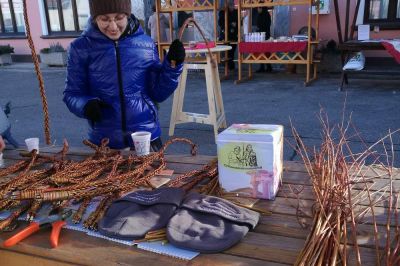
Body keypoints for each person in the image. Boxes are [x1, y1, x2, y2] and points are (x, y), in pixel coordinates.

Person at [63, 0, 185, 151]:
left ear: (127, 15)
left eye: (119, 17)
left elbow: (158, 93)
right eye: (105, 19)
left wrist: (173, 66)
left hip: (146, 137)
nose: (113, 27)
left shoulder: (146, 45)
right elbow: (72, 93)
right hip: (104, 141)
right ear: (95, 18)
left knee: (155, 175)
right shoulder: (80, 48)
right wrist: (85, 105)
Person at [218, 1, 238, 70]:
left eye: (233, 5)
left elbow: (238, 22)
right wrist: (230, 24)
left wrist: (236, 25)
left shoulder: (236, 12)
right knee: (226, 52)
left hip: (234, 35)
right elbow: (221, 23)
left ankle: (230, 66)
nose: (233, 7)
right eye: (231, 6)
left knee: (231, 52)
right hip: (225, 35)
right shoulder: (222, 12)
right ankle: (228, 66)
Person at [256, 7, 272, 73]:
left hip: (266, 36)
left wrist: (260, 28)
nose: (258, 10)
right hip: (260, 36)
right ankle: (262, 67)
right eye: (258, 8)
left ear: (262, 8)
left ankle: (269, 67)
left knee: (267, 51)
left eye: (259, 8)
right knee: (261, 51)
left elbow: (267, 25)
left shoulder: (266, 14)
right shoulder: (259, 15)